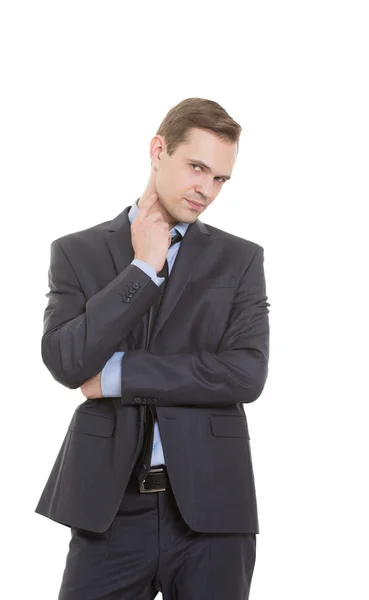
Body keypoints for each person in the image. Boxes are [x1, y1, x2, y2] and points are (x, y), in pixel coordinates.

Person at [35, 97, 270, 599]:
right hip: (110, 510)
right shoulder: (76, 253)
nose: (206, 190)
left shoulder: (240, 260)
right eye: (197, 167)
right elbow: (66, 361)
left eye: (221, 179)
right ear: (158, 149)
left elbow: (246, 375)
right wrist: (142, 270)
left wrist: (120, 375)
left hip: (213, 512)